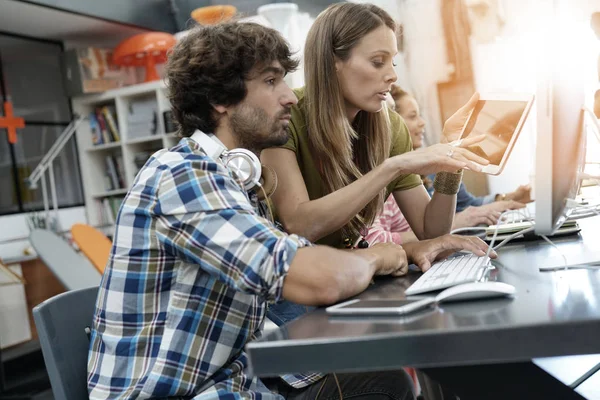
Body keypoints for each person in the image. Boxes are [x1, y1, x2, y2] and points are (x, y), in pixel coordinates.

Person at [86, 21, 495, 400]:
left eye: (284, 79)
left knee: (384, 379)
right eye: (270, 80)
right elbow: (318, 280)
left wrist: (401, 251)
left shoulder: (241, 182)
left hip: (237, 378)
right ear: (218, 100)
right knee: (385, 382)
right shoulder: (182, 175)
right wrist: (380, 254)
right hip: (183, 392)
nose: (287, 96)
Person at [261, 2, 490, 252]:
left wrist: (450, 158)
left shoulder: (392, 127)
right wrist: (391, 168)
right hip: (304, 279)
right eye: (378, 61)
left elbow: (430, 230)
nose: (393, 75)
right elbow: (300, 225)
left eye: (392, 62)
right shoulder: (286, 117)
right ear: (332, 61)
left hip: (357, 273)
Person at [366, 86, 533, 246]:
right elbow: (375, 242)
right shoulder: (385, 172)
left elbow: (443, 224)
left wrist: (508, 198)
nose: (422, 122)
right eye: (412, 116)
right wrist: (459, 221)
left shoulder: (419, 169)